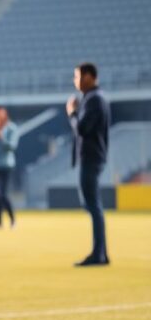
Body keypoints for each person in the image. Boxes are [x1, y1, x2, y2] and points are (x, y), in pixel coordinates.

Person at [67, 62, 111, 267]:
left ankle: (98, 254)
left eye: (77, 76)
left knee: (92, 205)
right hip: (94, 156)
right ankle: (101, 252)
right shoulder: (94, 98)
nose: (75, 81)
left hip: (91, 157)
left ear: (88, 76)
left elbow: (82, 129)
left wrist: (72, 113)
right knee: (92, 205)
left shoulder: (94, 100)